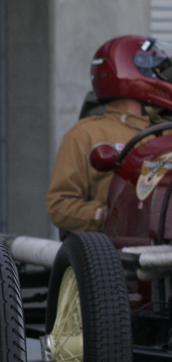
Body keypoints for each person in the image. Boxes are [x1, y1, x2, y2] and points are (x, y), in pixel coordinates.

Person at [48, 35, 172, 234]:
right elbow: (60, 207)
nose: (163, 76)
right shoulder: (86, 134)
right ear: (135, 72)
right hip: (115, 253)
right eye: (156, 71)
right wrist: (110, 216)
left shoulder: (166, 131)